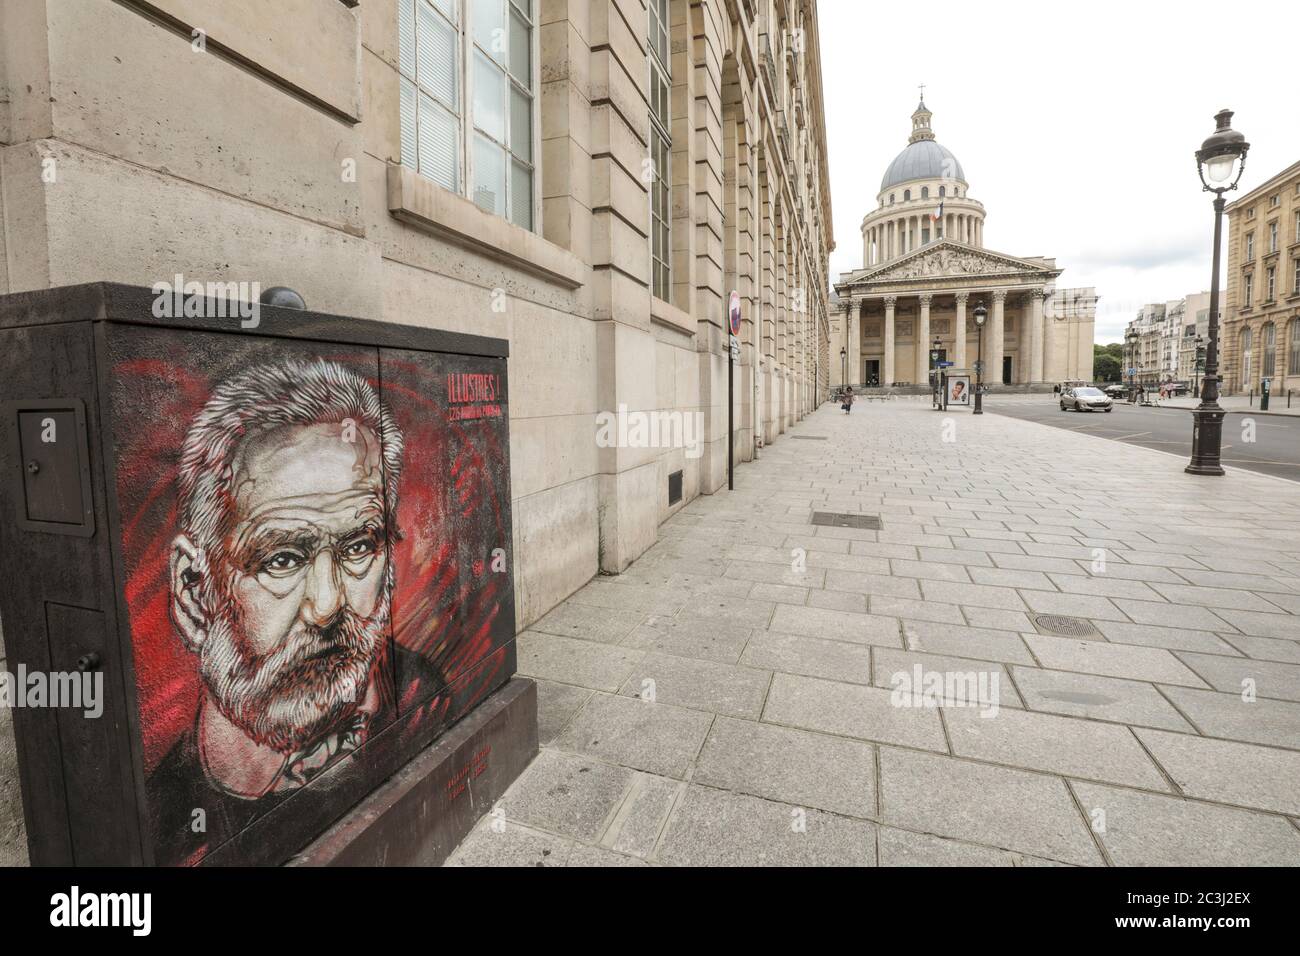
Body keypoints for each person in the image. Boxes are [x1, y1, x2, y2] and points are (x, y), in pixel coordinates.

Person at [152, 358, 445, 865]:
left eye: (358, 548)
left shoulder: (425, 696)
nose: (328, 604)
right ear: (193, 591)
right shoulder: (165, 826)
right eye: (282, 559)